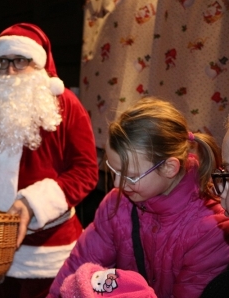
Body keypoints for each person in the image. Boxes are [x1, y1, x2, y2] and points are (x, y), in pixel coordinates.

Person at [0, 23, 99, 297]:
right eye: (2, 62)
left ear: (37, 64)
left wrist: (31, 203)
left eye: (20, 61)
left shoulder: (66, 103)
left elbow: (86, 171)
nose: (10, 71)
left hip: (48, 252)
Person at [48, 97, 229, 297]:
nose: (117, 184)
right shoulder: (117, 203)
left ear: (169, 167)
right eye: (114, 170)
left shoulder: (211, 230)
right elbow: (78, 263)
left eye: (130, 176)